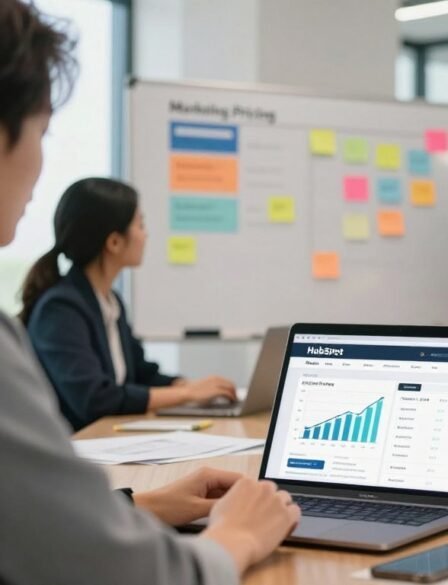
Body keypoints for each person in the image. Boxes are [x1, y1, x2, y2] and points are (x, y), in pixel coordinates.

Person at [0, 1, 299, 582]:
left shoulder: (108, 302)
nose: (40, 162)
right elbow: (133, 573)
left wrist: (144, 506)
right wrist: (236, 535)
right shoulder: (61, 307)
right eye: (42, 131)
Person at [21, 177, 237, 431]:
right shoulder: (60, 309)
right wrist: (187, 394)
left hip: (108, 441)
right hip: (78, 450)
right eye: (140, 225)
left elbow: (141, 374)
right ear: (114, 242)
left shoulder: (110, 302)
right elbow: (95, 399)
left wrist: (186, 385)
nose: (146, 235)